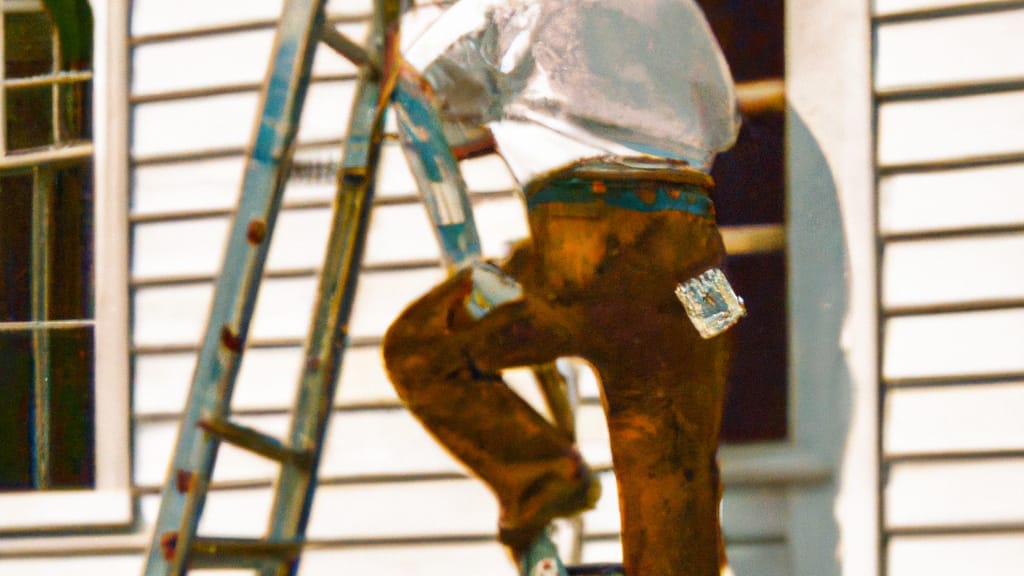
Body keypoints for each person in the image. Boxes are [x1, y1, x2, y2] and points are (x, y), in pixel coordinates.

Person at [384, 1, 744, 573]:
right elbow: (724, 120)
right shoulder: (677, 11)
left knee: (423, 347)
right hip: (701, 262)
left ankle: (540, 476)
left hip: (591, 240)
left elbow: (420, 94)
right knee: (675, 474)